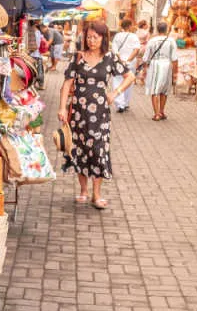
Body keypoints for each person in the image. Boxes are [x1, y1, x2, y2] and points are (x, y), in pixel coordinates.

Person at [57, 20, 137, 210]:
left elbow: (130, 76)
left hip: (100, 114)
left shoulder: (110, 58)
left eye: (96, 37)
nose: (91, 40)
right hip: (78, 112)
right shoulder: (78, 58)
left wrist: (115, 94)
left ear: (103, 38)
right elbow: (67, 83)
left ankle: (97, 194)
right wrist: (61, 108)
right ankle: (84, 190)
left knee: (99, 150)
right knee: (79, 149)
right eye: (89, 36)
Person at [141, 21, 177, 120]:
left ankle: (157, 114)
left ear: (157, 29)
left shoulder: (152, 41)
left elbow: (145, 57)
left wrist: (144, 69)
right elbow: (174, 59)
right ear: (166, 30)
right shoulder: (171, 41)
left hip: (155, 65)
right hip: (167, 65)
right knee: (164, 90)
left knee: (154, 89)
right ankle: (161, 111)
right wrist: (175, 73)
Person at [109, 18, 143, 113]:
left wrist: (121, 61)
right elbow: (136, 50)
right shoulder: (134, 36)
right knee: (129, 81)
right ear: (129, 26)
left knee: (117, 80)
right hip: (130, 62)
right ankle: (126, 103)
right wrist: (128, 60)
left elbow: (115, 51)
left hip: (118, 62)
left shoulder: (117, 36)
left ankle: (120, 104)